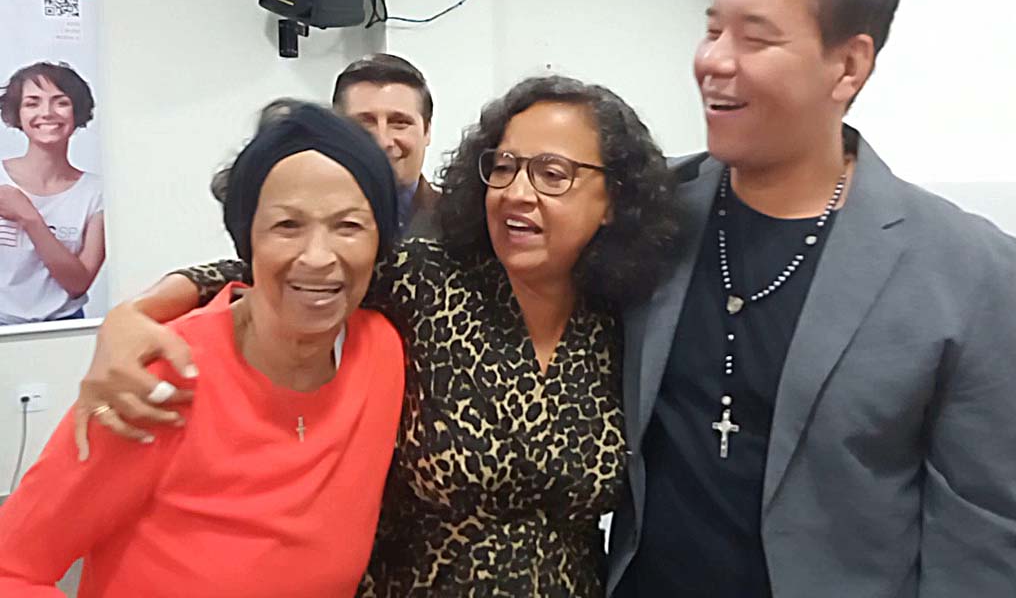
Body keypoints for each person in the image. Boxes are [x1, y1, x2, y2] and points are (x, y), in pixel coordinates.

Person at [70, 75, 680, 596]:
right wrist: (133, 315)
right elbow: (278, 270)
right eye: (504, 167)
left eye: (552, 174)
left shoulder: (623, 318)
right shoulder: (426, 278)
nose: (517, 193)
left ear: (613, 199)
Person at [609, 0, 1016, 598]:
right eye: (713, 29)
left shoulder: (967, 272)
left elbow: (986, 542)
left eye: (755, 38)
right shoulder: (653, 210)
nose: (715, 60)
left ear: (848, 66)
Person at [0, 102, 405, 597]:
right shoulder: (156, 379)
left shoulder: (381, 352)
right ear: (247, 239)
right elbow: (11, 568)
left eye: (349, 226)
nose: (318, 257)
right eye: (287, 226)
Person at [0, 61, 105, 324]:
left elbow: (78, 283)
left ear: (77, 112)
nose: (46, 113)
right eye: (32, 103)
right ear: (17, 115)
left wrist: (29, 218)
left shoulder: (97, 193)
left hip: (64, 325)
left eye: (61, 102)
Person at [333, 53, 440, 238]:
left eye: (399, 123)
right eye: (364, 123)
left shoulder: (468, 225)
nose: (382, 141)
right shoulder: (301, 222)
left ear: (427, 131)